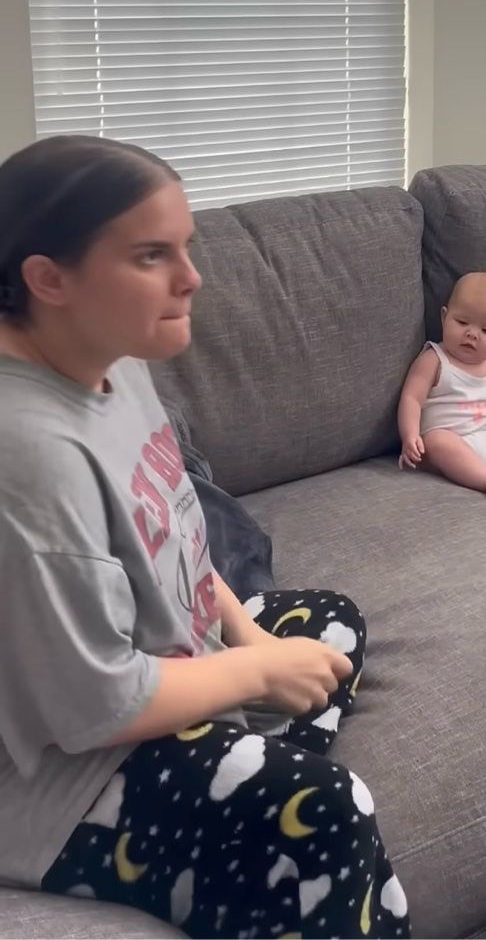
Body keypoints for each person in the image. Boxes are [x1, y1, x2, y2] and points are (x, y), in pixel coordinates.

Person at [0, 134, 410, 940]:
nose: (192, 277)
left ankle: (235, 800)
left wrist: (253, 642)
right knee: (327, 808)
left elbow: (177, 530)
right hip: (63, 774)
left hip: (162, 672)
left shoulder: (112, 357)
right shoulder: (30, 453)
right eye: (152, 255)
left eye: (185, 246)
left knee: (329, 624)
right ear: (48, 278)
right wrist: (253, 670)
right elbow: (95, 705)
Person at [398, 272, 486, 502]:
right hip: (447, 445)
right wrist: (410, 434)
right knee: (437, 440)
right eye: (462, 322)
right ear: (444, 318)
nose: (472, 334)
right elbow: (411, 398)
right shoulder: (434, 360)